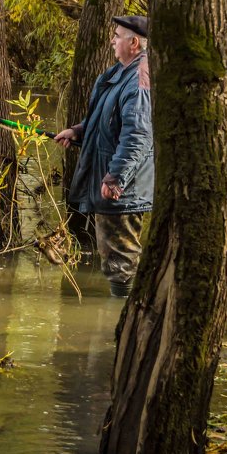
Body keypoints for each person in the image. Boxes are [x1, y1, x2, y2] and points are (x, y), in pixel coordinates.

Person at [54, 16, 153, 297]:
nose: (112, 40)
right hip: (112, 181)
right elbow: (106, 120)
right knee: (114, 260)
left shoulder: (139, 78)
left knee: (121, 264)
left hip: (124, 191)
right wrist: (77, 131)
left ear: (134, 42)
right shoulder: (120, 73)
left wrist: (116, 177)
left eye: (118, 35)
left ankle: (121, 319)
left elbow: (137, 135)